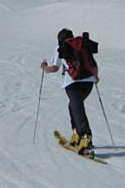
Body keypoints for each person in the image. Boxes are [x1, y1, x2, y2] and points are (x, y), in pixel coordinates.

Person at [40, 28, 99, 156]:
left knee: (77, 108)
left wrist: (44, 67)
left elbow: (55, 68)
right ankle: (77, 133)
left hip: (72, 83)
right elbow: (93, 63)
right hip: (88, 83)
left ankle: (85, 138)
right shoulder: (82, 45)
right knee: (73, 106)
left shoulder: (61, 47)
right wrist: (96, 76)